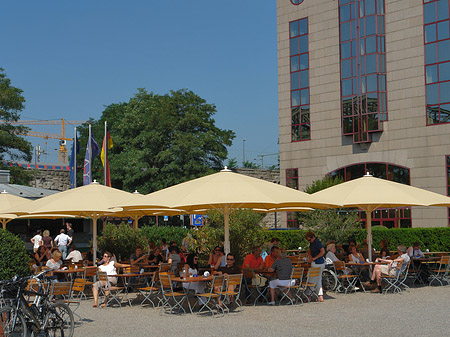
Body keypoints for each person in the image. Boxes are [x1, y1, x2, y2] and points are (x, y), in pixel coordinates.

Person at [306, 231, 325, 302]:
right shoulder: (313, 243)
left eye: (309, 240)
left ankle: (309, 295)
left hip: (317, 263)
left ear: (313, 237)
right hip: (320, 263)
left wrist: (314, 258)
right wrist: (311, 257)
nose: (309, 241)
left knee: (311, 279)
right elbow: (309, 250)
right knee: (318, 279)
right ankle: (320, 296)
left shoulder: (317, 243)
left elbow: (323, 251)